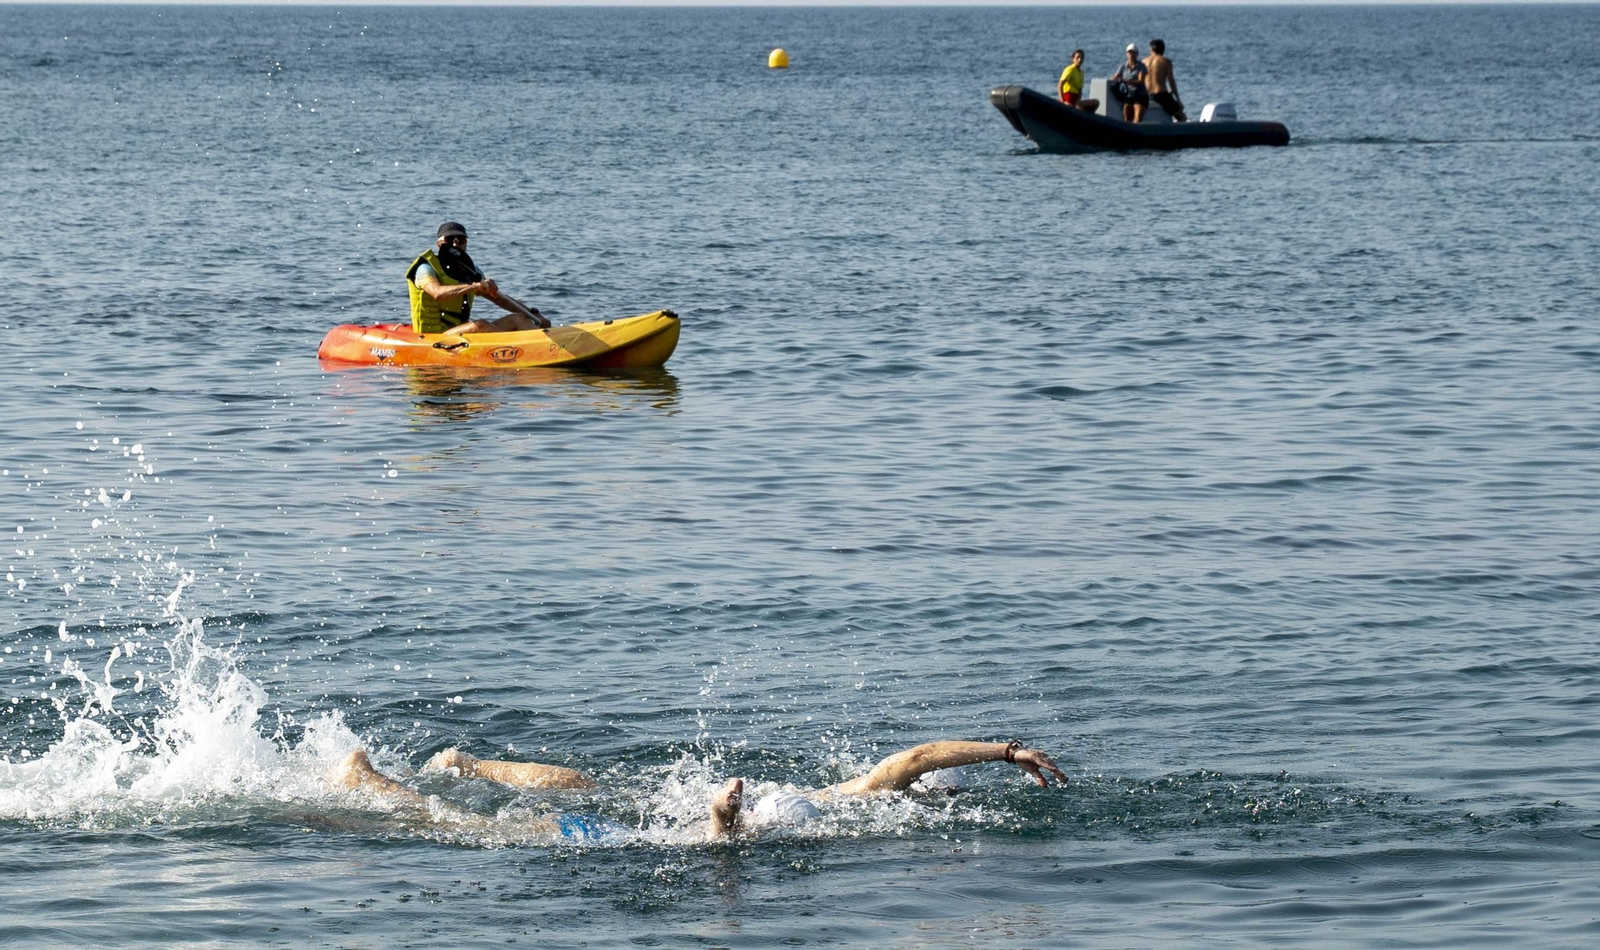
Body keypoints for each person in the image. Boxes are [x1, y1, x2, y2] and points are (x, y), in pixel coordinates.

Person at [332, 739, 1068, 843]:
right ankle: (371, 783)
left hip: (752, 803)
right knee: (500, 832)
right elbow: (917, 762)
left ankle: (467, 764)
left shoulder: (858, 788)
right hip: (764, 817)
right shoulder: (870, 800)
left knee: (588, 791)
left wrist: (1003, 750)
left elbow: (921, 754)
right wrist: (1002, 753)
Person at [406, 221, 552, 337]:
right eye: (451, 239)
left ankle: (544, 344)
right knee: (479, 325)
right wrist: (474, 287)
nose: (456, 244)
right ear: (439, 244)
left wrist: (533, 313)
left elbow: (501, 299)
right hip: (432, 337)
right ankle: (522, 351)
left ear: (466, 243)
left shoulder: (472, 271)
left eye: (461, 239)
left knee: (518, 319)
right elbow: (437, 292)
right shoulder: (426, 268)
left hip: (460, 333)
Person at [1142, 38, 1187, 122]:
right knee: (1182, 117)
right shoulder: (1165, 61)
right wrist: (1178, 100)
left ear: (1152, 49)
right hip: (1160, 95)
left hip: (1146, 94)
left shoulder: (1144, 61)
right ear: (1163, 49)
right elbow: (1171, 81)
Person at [1110, 44, 1149, 123]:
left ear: (1137, 54)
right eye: (1129, 53)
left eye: (1133, 53)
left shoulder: (1141, 66)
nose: (1131, 55)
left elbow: (1141, 80)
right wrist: (1115, 78)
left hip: (1140, 95)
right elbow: (1115, 76)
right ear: (1126, 54)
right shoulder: (1123, 67)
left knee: (1137, 118)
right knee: (1126, 115)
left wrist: (1126, 81)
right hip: (1129, 95)